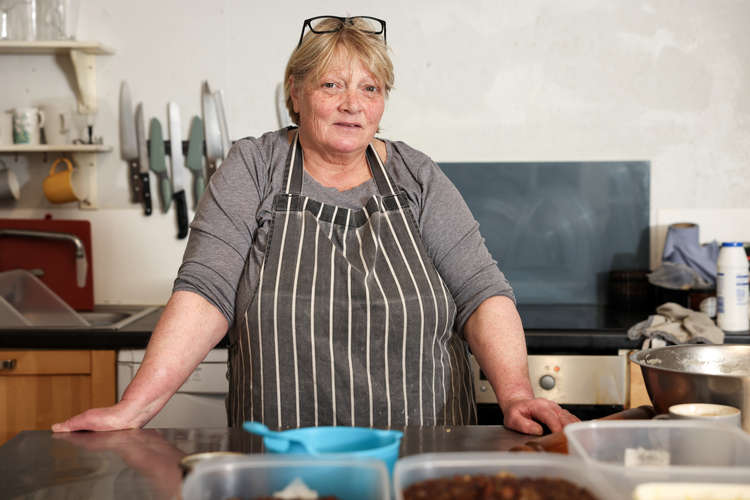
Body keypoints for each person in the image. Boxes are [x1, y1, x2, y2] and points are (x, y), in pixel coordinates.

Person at [53, 16, 577, 435]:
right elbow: (205, 292)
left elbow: (481, 292)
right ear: (295, 91)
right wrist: (134, 410)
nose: (353, 104)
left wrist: (514, 394)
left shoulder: (417, 176)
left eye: (370, 89)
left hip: (422, 453)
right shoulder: (253, 168)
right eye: (332, 85)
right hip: (284, 458)